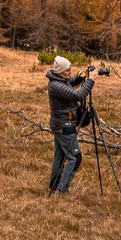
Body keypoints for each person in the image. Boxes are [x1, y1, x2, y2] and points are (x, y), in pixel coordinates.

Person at [46, 55, 94, 196]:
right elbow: (78, 95)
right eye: (67, 71)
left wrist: (79, 78)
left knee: (60, 156)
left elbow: (69, 82)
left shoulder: (58, 80)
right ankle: (62, 189)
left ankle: (54, 185)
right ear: (60, 72)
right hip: (64, 125)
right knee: (75, 157)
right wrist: (91, 80)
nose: (70, 72)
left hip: (61, 124)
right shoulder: (56, 86)